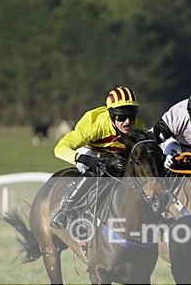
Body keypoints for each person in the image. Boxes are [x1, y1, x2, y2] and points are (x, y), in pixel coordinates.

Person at [50, 86, 147, 230]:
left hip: (115, 155)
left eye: (131, 116)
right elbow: (60, 148)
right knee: (100, 168)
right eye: (121, 117)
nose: (127, 122)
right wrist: (83, 159)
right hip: (90, 152)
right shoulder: (95, 124)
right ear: (111, 115)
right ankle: (65, 209)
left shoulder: (137, 125)